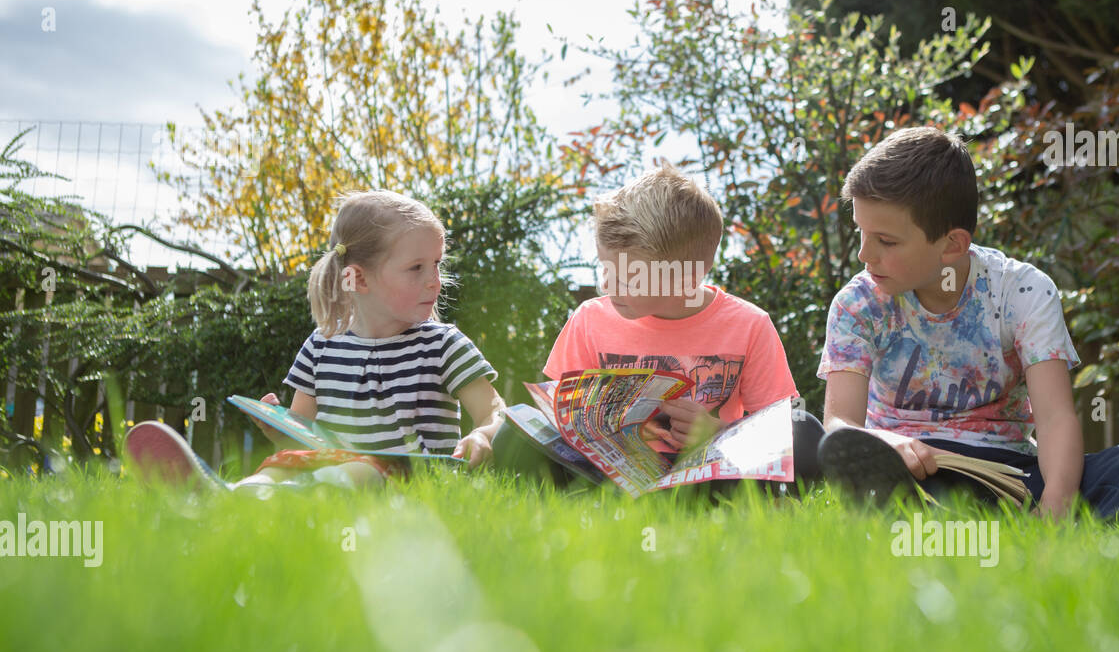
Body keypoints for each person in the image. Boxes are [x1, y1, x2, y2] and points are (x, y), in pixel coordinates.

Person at [816, 125, 1119, 527]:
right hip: (913, 466)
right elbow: (840, 426)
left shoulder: (1021, 291)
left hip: (1012, 468)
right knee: (919, 490)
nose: (864, 254)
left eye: (884, 240)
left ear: (952, 245)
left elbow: (1056, 417)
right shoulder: (858, 305)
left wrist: (1054, 511)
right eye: (861, 232)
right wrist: (884, 440)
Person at [126, 190, 505, 491]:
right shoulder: (322, 347)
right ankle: (235, 494)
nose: (433, 280)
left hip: (414, 480)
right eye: (416, 268)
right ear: (359, 279)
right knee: (282, 466)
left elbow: (494, 411)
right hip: (334, 471)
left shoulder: (442, 345)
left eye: (437, 263)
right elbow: (303, 438)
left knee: (360, 471)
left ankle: (265, 501)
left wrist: (483, 434)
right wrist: (279, 430)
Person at [492, 164, 823, 492]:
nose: (607, 285)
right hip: (607, 476)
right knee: (514, 434)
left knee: (803, 430)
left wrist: (715, 431)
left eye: (626, 278)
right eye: (605, 267)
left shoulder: (748, 325)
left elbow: (775, 428)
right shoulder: (590, 319)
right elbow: (557, 418)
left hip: (709, 476)